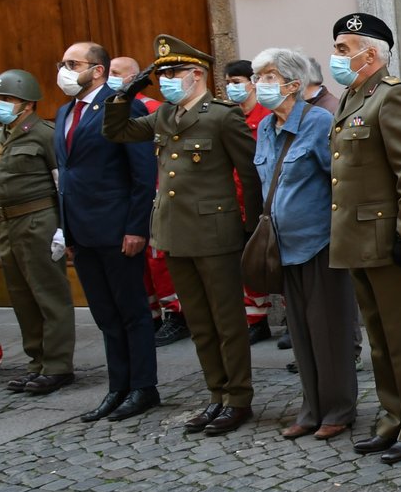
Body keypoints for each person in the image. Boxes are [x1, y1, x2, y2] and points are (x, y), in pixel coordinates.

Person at [104, 36, 261, 435]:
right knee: (200, 322)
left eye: (173, 73)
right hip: (174, 234)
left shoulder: (222, 115)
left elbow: (249, 174)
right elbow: (118, 131)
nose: (167, 80)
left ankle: (238, 398)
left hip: (216, 233)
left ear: (196, 75)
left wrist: (251, 228)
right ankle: (216, 394)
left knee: (227, 321)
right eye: (162, 74)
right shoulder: (165, 116)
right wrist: (128, 91)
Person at [328, 12, 401, 465]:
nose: (336, 57)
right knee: (379, 338)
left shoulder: (391, 97)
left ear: (369, 53)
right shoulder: (353, 96)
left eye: (342, 49)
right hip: (358, 238)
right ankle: (392, 417)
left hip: (391, 238)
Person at [251, 48, 358, 440]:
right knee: (299, 333)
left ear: (293, 85)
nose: (258, 84)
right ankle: (311, 408)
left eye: (268, 76)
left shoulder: (318, 122)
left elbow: (341, 182)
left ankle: (339, 409)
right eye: (257, 76)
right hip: (283, 246)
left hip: (321, 244)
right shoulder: (265, 127)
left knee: (329, 330)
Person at [57, 42, 161, 420]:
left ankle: (143, 387)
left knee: (132, 311)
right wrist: (67, 233)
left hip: (118, 231)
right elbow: (67, 177)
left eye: (73, 63)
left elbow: (142, 173)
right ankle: (118, 386)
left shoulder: (121, 105)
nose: (65, 70)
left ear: (97, 70)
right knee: (105, 314)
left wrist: (136, 227)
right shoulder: (66, 111)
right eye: (64, 63)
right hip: (82, 234)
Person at [0, 69, 75, 396]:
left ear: (26, 103)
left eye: (7, 99)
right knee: (22, 298)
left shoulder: (43, 134)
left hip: (39, 222)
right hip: (8, 224)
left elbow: (62, 184)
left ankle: (57, 365)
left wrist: (64, 228)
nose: (0, 105)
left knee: (48, 295)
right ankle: (37, 362)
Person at [110, 56, 188, 347]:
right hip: (128, 195)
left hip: (154, 191)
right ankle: (152, 312)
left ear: (133, 76)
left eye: (117, 73)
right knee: (139, 261)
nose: (111, 78)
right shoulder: (112, 109)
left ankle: (176, 314)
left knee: (158, 260)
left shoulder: (152, 108)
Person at [227, 59, 274, 343]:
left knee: (272, 263)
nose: (231, 88)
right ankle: (256, 319)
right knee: (246, 264)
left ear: (252, 82)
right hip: (237, 201)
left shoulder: (266, 117)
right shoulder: (232, 118)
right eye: (228, 83)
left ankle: (291, 323)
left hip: (263, 200)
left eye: (236, 82)